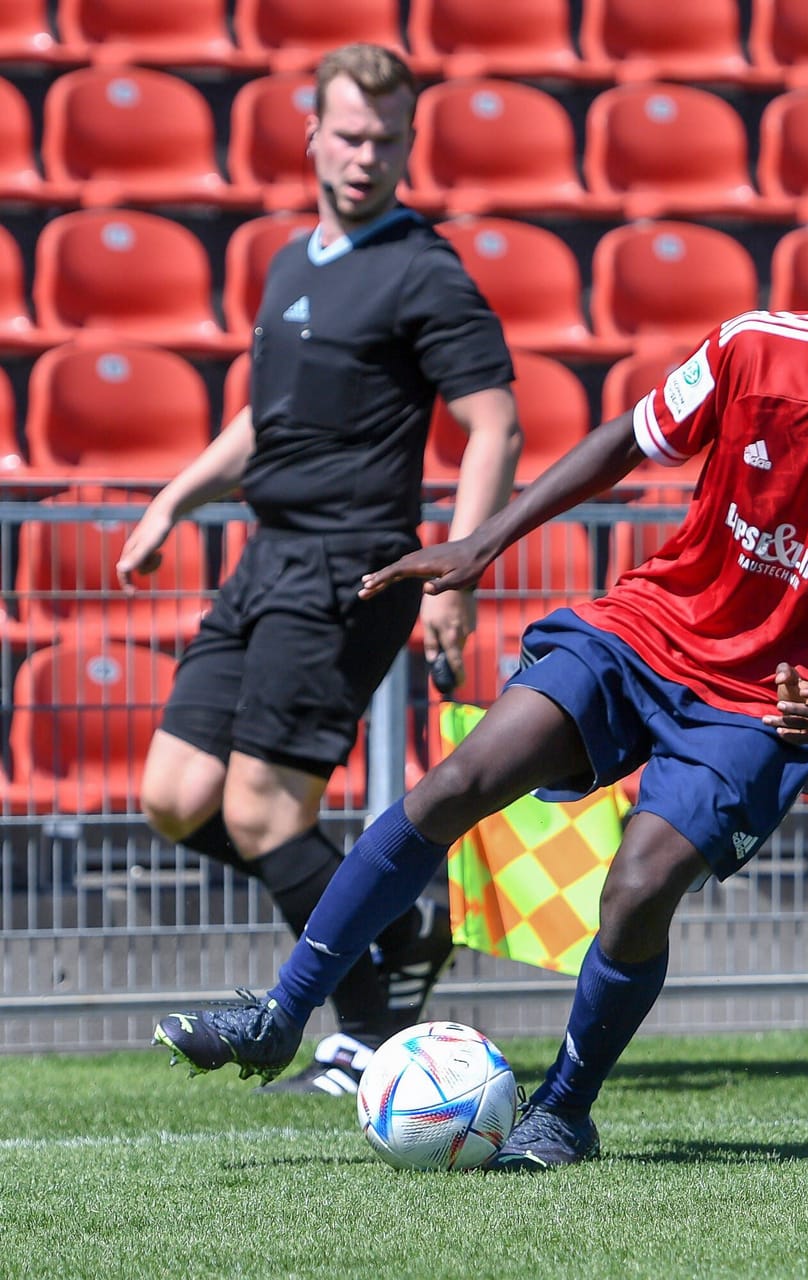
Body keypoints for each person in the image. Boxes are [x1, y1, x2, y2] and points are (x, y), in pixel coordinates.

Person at [152, 203, 808, 1169]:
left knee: (638, 889)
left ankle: (566, 1108)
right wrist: (486, 539)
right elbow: (625, 441)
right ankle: (280, 1013)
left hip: (764, 701)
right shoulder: (753, 348)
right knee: (454, 785)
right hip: (646, 629)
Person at [120, 43, 522, 1096]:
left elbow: (494, 425)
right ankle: (389, 924)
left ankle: (353, 1035)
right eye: (349, 135)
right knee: (174, 795)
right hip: (265, 554)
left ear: (408, 146)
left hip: (349, 565)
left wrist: (456, 573)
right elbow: (269, 417)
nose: (366, 155)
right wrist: (175, 497)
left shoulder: (426, 270)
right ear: (311, 135)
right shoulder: (296, 258)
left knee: (261, 813)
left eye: (388, 139)